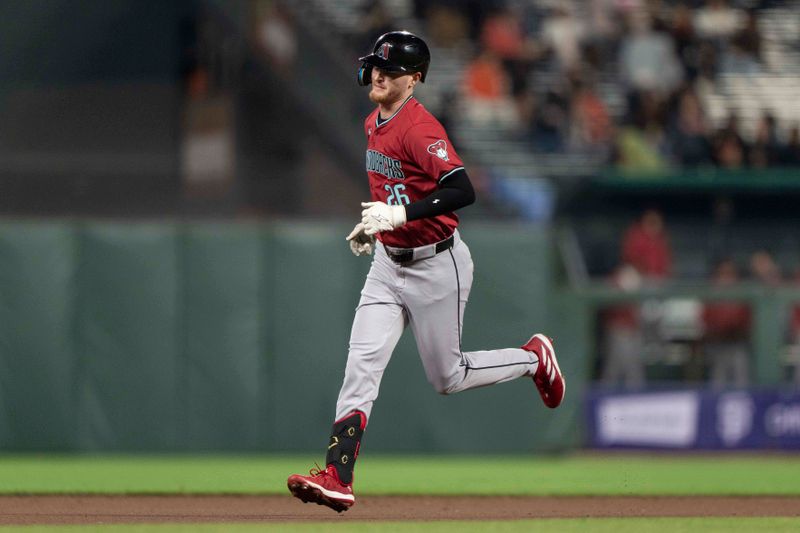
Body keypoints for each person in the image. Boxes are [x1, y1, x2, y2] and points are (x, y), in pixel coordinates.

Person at [286, 31, 565, 513]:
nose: (378, 73)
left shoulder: (420, 128)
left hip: (438, 264)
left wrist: (399, 216)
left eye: (390, 70)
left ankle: (533, 359)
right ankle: (338, 475)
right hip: (388, 264)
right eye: (376, 65)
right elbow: (393, 191)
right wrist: (377, 227)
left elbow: (462, 189)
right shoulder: (373, 120)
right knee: (361, 366)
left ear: (413, 81)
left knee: (448, 377)